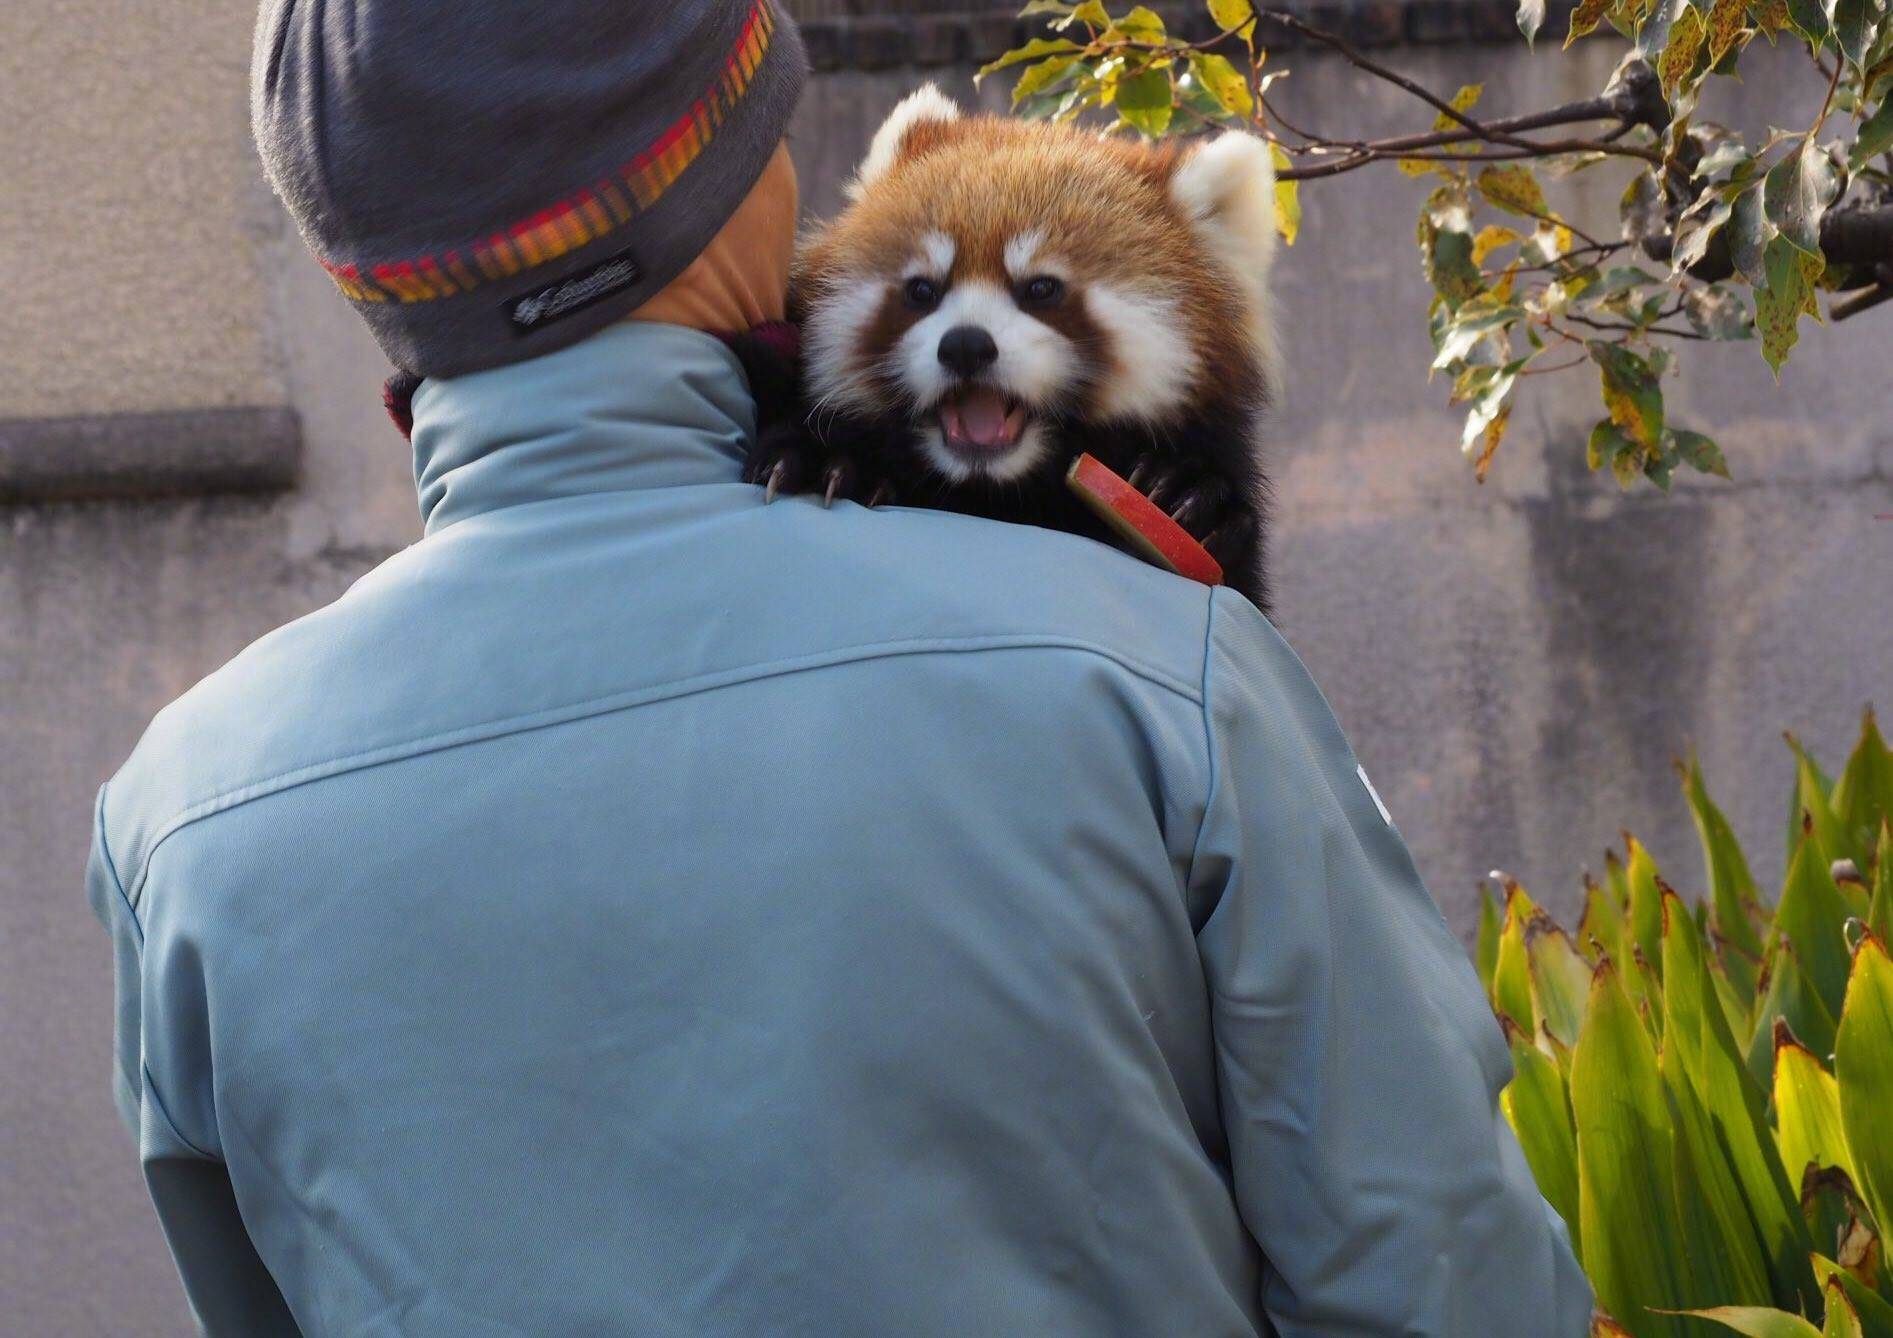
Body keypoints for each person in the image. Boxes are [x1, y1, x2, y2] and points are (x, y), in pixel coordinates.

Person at [86, 0, 1591, 1332]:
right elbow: (1437, 1277)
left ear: (367, 282)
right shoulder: (1152, 673)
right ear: (742, 194)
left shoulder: (180, 819)